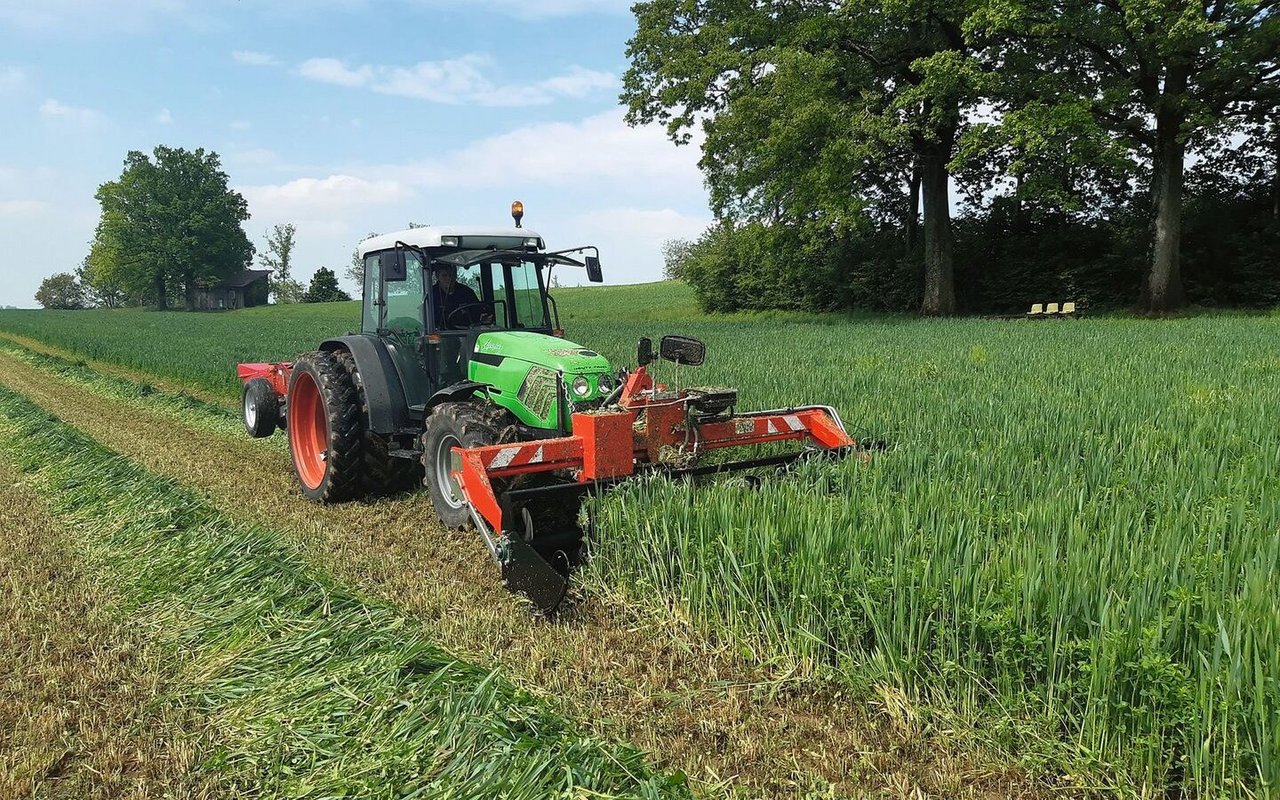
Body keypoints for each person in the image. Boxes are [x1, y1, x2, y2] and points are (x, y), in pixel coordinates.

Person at [430, 263, 487, 329]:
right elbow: (425, 318)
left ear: (456, 275)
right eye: (444, 275)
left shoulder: (467, 292)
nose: (449, 278)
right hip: (441, 335)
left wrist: (483, 318)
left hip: (466, 333)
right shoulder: (431, 294)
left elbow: (478, 313)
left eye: (451, 275)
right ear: (437, 276)